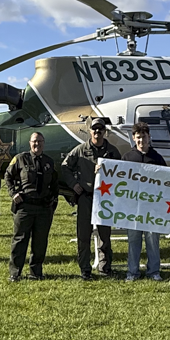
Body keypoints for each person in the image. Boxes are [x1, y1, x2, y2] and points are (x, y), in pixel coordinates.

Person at [61, 118, 122, 280]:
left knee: (104, 235)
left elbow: (121, 172)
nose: (97, 131)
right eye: (94, 129)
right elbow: (65, 167)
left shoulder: (113, 152)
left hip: (105, 199)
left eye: (100, 129)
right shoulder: (80, 150)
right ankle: (85, 269)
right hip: (85, 197)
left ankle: (105, 267)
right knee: (83, 235)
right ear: (90, 131)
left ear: (105, 131)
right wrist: (74, 184)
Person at [4, 132, 59, 282]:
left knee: (40, 242)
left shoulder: (49, 162)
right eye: (34, 141)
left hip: (43, 208)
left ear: (44, 143)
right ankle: (15, 273)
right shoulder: (20, 159)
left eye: (40, 141)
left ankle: (36, 272)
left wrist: (53, 202)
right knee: (20, 240)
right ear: (30, 143)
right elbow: (8, 176)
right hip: (24, 207)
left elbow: (54, 184)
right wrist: (13, 193)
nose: (37, 144)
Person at [123, 121, 166, 283]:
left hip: (152, 207)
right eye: (138, 137)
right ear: (134, 138)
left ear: (149, 137)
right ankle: (132, 272)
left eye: (144, 137)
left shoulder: (157, 158)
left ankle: (154, 271)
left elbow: (167, 181)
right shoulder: (127, 158)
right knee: (133, 240)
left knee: (152, 239)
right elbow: (118, 179)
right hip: (132, 207)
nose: (141, 140)